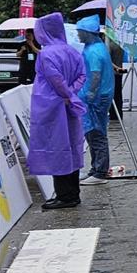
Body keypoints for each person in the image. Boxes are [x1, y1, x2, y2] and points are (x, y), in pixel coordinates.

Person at [26, 13, 87, 210]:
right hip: (69, 106)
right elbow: (82, 75)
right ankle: (72, 193)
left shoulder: (46, 54)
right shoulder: (73, 51)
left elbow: (55, 79)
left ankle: (64, 195)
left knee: (56, 149)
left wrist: (66, 94)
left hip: (51, 108)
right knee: (71, 147)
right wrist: (72, 94)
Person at [76, 15, 114, 185]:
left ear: (87, 33)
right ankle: (96, 168)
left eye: (80, 32)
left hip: (96, 99)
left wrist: (90, 93)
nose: (78, 35)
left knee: (96, 134)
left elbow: (96, 75)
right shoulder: (97, 47)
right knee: (93, 134)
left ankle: (100, 172)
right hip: (97, 97)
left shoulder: (93, 51)